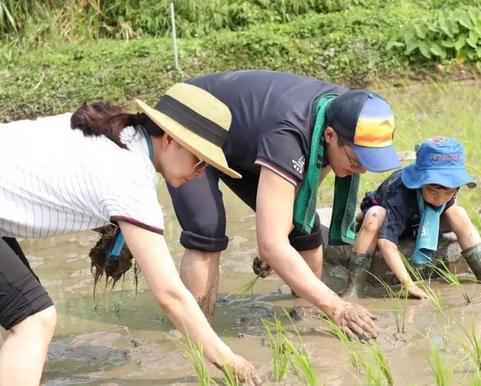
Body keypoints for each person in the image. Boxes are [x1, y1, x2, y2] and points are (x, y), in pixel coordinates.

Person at [0, 83, 260, 385]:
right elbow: (170, 295)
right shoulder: (131, 176)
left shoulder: (118, 134)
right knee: (34, 320)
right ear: (170, 140)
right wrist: (227, 359)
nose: (201, 172)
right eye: (200, 160)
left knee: (25, 316)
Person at [164, 70, 402, 339]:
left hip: (247, 137)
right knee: (206, 230)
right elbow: (272, 243)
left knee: (304, 228)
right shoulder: (290, 136)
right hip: (193, 119)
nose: (360, 171)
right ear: (330, 136)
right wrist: (337, 305)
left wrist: (277, 243)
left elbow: (301, 199)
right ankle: (196, 337)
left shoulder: (342, 111)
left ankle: (306, 319)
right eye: (357, 161)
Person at [342, 137, 481, 299]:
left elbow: (449, 206)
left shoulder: (451, 189)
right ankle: (354, 288)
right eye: (433, 192)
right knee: (374, 216)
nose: (440, 199)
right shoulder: (400, 193)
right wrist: (409, 284)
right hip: (392, 216)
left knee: (458, 213)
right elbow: (386, 242)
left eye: (448, 192)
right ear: (419, 182)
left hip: (422, 220)